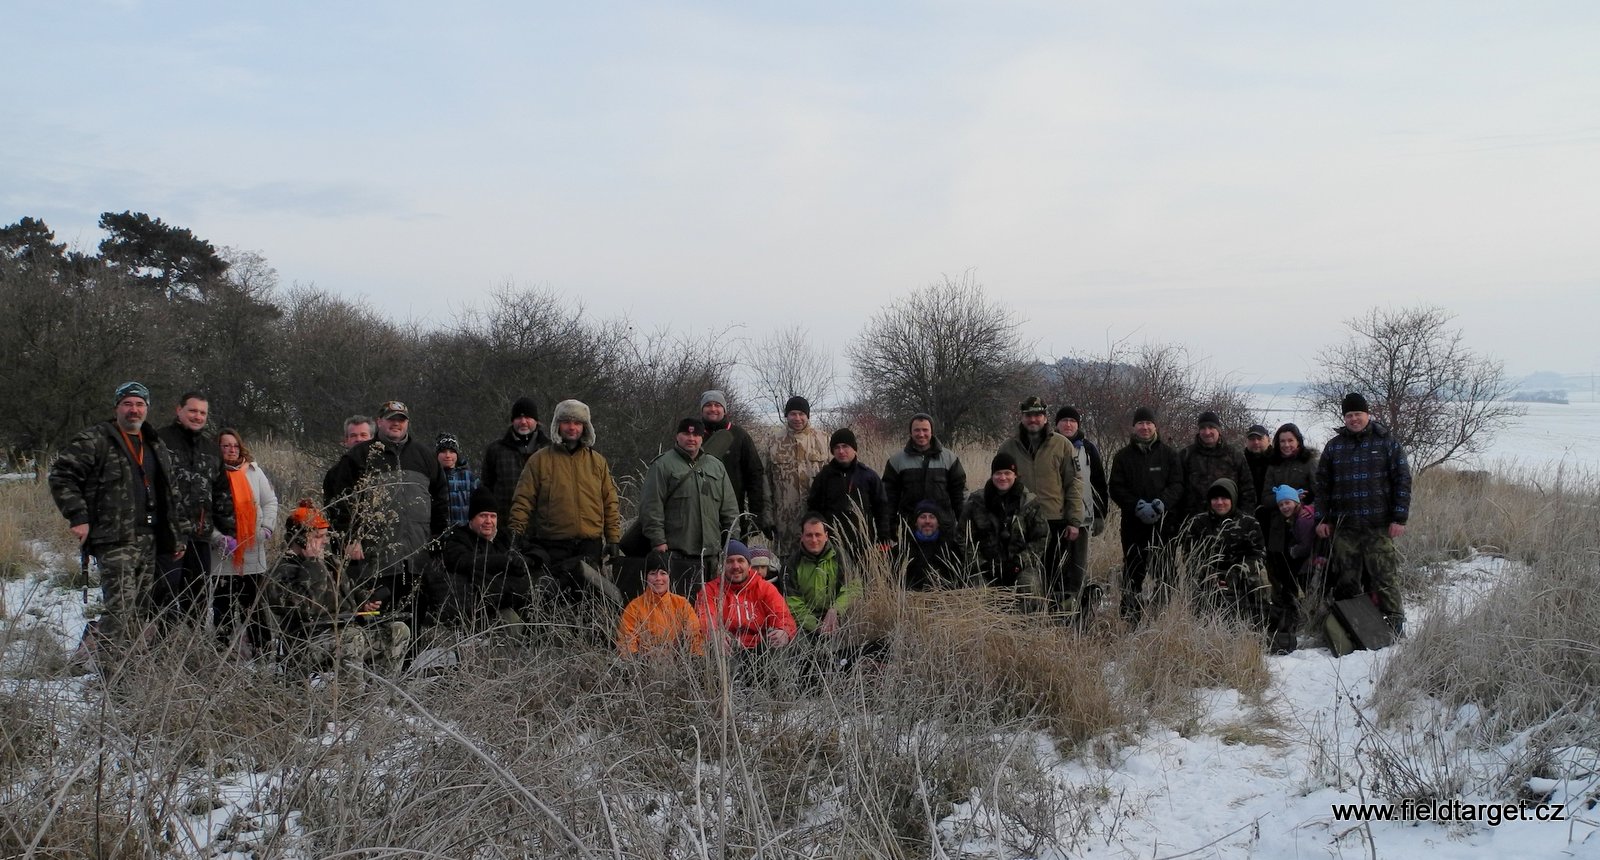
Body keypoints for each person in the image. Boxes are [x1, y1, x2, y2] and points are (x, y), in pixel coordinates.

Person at [49, 382, 191, 646]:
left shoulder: (155, 443)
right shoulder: (96, 439)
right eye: (127, 404)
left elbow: (171, 493)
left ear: (147, 408)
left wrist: (178, 534)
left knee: (140, 610)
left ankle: (130, 665)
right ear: (117, 407)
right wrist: (78, 517)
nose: (133, 409)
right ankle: (109, 667)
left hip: (149, 539)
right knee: (119, 610)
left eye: (139, 404)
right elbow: (61, 475)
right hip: (114, 539)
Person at [322, 399, 448, 629]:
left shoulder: (424, 456)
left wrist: (436, 538)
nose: (396, 424)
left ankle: (412, 653)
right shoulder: (360, 456)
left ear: (407, 423)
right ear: (379, 422)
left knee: (414, 621)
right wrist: (350, 538)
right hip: (375, 559)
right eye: (391, 419)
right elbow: (340, 502)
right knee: (375, 623)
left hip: (416, 557)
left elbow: (441, 498)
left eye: (401, 420)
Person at [266, 501, 409, 675]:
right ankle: (349, 693)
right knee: (352, 636)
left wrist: (363, 601)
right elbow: (307, 608)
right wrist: (313, 564)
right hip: (305, 643)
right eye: (318, 537)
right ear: (299, 539)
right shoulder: (281, 571)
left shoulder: (330, 561)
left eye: (325, 536)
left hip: (346, 632)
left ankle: (381, 691)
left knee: (398, 631)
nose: (324, 541)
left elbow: (348, 594)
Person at [1314, 393, 1412, 636]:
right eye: (1349, 415)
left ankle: (1395, 627)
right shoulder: (1334, 446)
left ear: (1367, 414)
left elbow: (1402, 480)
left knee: (1384, 577)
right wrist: (1322, 519)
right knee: (1346, 580)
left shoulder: (1387, 443)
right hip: (1345, 527)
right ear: (1344, 418)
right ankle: (1352, 628)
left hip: (1378, 525)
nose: (1354, 419)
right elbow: (1322, 486)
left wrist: (1399, 518)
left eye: (1358, 414)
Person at [507, 399, 623, 599]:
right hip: (553, 544)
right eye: (566, 422)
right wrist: (515, 535)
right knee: (555, 596)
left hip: (589, 544)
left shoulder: (597, 462)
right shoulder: (540, 460)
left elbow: (610, 502)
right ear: (557, 425)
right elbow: (523, 501)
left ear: (585, 427)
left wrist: (613, 538)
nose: (572, 427)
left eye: (577, 423)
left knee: (588, 598)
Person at [996, 397, 1083, 614]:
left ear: (1045, 418)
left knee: (1058, 575)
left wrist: (1074, 520)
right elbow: (999, 483)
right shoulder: (1008, 447)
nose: (1033, 419)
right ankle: (1029, 617)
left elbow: (1074, 484)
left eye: (1038, 415)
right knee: (1025, 573)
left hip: (1055, 521)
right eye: (1029, 415)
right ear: (1022, 417)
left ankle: (1058, 617)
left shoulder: (1062, 445)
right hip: (1021, 524)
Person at [155, 390, 236, 618]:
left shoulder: (211, 449)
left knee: (197, 599)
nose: (197, 416)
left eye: (202, 413)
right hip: (167, 536)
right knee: (164, 596)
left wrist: (229, 531)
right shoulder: (160, 442)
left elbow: (221, 492)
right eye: (192, 411)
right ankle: (163, 639)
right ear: (178, 410)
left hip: (200, 536)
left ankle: (192, 639)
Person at [638, 418, 739, 589]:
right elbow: (651, 507)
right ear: (677, 436)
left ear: (702, 438)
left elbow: (729, 509)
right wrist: (658, 541)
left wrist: (733, 541)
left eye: (696, 435)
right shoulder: (662, 465)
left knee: (709, 602)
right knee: (679, 600)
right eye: (686, 434)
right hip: (676, 552)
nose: (691, 438)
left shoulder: (716, 466)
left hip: (711, 554)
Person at [1107, 407, 1184, 626]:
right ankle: (1130, 620)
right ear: (1134, 427)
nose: (1145, 427)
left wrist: (1162, 503)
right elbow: (1115, 487)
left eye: (1148, 423)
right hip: (1133, 525)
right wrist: (1136, 505)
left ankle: (1162, 618)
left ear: (1155, 426)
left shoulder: (1169, 455)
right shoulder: (1122, 457)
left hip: (1164, 525)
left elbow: (1178, 484)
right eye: (1140, 423)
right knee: (1133, 571)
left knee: (1166, 572)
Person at [211, 428, 280, 654]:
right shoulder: (211, 473)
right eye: (225, 446)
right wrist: (218, 538)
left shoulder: (253, 471)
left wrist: (267, 527)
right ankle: (224, 654)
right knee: (223, 608)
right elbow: (202, 512)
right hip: (222, 555)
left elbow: (270, 501)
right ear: (217, 448)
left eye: (235, 445)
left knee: (255, 608)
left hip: (253, 551)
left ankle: (263, 653)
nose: (231, 450)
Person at [1177, 478, 1271, 628]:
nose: (1219, 502)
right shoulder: (1197, 522)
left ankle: (1257, 624)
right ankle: (1200, 623)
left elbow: (1259, 555)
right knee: (1193, 582)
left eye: (1224, 498)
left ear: (1232, 499)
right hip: (1208, 575)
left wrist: (1238, 572)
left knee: (1259, 581)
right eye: (1215, 498)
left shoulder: (1249, 523)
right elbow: (1189, 555)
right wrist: (1209, 573)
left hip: (1241, 575)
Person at [958, 452, 1049, 605]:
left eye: (1007, 473)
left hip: (1020, 567)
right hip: (985, 568)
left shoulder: (1029, 503)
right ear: (992, 475)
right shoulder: (976, 502)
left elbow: (1042, 537)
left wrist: (1020, 562)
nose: (1003, 477)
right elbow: (962, 536)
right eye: (998, 473)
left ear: (1015, 475)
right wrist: (980, 564)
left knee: (1030, 586)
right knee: (977, 591)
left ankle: (1026, 619)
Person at [439, 487, 535, 625]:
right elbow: (463, 562)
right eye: (483, 515)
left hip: (513, 600)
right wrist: (504, 561)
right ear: (472, 518)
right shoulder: (458, 539)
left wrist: (528, 560)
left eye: (493, 516)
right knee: (510, 621)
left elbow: (536, 550)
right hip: (478, 611)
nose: (488, 521)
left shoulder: (506, 537)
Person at [696, 540, 796, 652]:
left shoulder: (765, 588)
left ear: (749, 565)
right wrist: (713, 634)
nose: (735, 566)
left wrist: (784, 631)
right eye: (729, 561)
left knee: (781, 643)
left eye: (740, 560)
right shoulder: (710, 590)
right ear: (722, 566)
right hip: (726, 649)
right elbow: (705, 617)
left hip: (761, 649)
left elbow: (782, 615)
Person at [698, 390, 769, 540]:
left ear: (724, 409)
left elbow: (755, 476)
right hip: (699, 514)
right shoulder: (694, 436)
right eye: (708, 405)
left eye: (717, 405)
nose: (713, 409)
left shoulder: (739, 436)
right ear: (702, 409)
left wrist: (756, 515)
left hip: (734, 514)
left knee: (735, 553)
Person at [1057, 405, 1109, 609]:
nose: (1068, 424)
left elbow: (1099, 483)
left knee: (1078, 566)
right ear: (1057, 424)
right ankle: (1055, 604)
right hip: (1054, 517)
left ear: (1078, 425)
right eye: (1064, 420)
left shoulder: (1088, 449)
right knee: (1055, 563)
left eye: (1072, 421)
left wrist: (1100, 514)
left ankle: (1076, 605)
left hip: (1082, 518)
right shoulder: (1048, 446)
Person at [764, 395, 831, 554]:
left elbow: (835, 480)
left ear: (808, 415)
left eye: (801, 414)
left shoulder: (824, 440)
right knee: (787, 564)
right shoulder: (773, 442)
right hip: (785, 522)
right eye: (793, 414)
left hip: (817, 522)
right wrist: (767, 517)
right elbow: (765, 483)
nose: (797, 418)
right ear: (786, 415)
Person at [805, 427, 890, 550]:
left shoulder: (869, 476)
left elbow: (881, 508)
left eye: (845, 446)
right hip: (833, 543)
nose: (841, 451)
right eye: (836, 447)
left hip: (865, 542)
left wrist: (883, 538)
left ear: (854, 449)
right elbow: (814, 508)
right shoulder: (824, 477)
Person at [884, 413, 967, 535]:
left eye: (925, 430)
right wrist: (890, 527)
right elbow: (889, 497)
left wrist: (964, 527)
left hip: (944, 529)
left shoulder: (949, 459)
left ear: (932, 432)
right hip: (909, 529)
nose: (921, 434)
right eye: (917, 430)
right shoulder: (896, 461)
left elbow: (959, 496)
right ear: (910, 432)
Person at [784, 517, 862, 638]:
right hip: (804, 625)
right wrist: (817, 627)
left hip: (839, 620)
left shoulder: (840, 557)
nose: (814, 540)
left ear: (826, 536)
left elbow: (853, 589)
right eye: (809, 535)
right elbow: (793, 603)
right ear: (802, 537)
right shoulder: (791, 564)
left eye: (818, 535)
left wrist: (835, 609)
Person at [1263, 484, 1320, 653]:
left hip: (1310, 566)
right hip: (1308, 565)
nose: (1284, 507)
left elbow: (1306, 546)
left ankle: (1312, 625)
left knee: (1311, 594)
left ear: (1296, 502)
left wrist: (1292, 551)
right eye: (1281, 504)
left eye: (1287, 502)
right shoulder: (1297, 517)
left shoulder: (1303, 520)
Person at [616, 550, 705, 656]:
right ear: (645, 577)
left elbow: (695, 636)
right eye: (653, 573)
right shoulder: (634, 608)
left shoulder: (682, 604)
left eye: (663, 573)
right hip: (643, 662)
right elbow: (627, 642)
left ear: (669, 577)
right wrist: (640, 660)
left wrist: (697, 657)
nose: (658, 578)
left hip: (677, 661)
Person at [479, 396, 550, 522]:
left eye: (527, 417)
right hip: (506, 522)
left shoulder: (550, 450)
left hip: (543, 524)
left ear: (536, 421)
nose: (523, 422)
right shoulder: (496, 450)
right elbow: (486, 488)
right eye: (518, 418)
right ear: (512, 421)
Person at [1179, 411, 1257, 519]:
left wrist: (1244, 519)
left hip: (1228, 520)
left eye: (1211, 427)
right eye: (1203, 428)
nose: (1207, 432)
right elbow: (1177, 487)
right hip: (1192, 520)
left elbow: (1247, 491)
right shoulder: (1186, 455)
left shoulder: (1234, 456)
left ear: (1219, 430)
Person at [902, 499, 967, 590]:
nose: (927, 521)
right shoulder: (904, 548)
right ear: (916, 522)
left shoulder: (950, 548)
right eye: (923, 517)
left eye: (932, 517)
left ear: (938, 522)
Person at [1261, 423, 1319, 508]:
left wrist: (1310, 509)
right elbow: (1266, 498)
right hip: (1278, 514)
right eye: (1282, 441)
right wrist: (1287, 496)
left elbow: (1321, 493)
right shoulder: (1273, 464)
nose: (1286, 445)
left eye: (1290, 440)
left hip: (1304, 513)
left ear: (1298, 441)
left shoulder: (1309, 462)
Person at [436, 433, 478, 527]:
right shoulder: (432, 476)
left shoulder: (468, 477)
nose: (447, 455)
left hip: (463, 529)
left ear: (457, 454)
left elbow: (477, 505)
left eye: (451, 451)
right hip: (438, 531)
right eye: (443, 451)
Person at [1242, 424, 1273, 504]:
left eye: (1260, 438)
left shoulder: (1278, 461)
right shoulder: (1240, 461)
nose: (1256, 442)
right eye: (1252, 439)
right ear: (1246, 441)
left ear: (1268, 440)